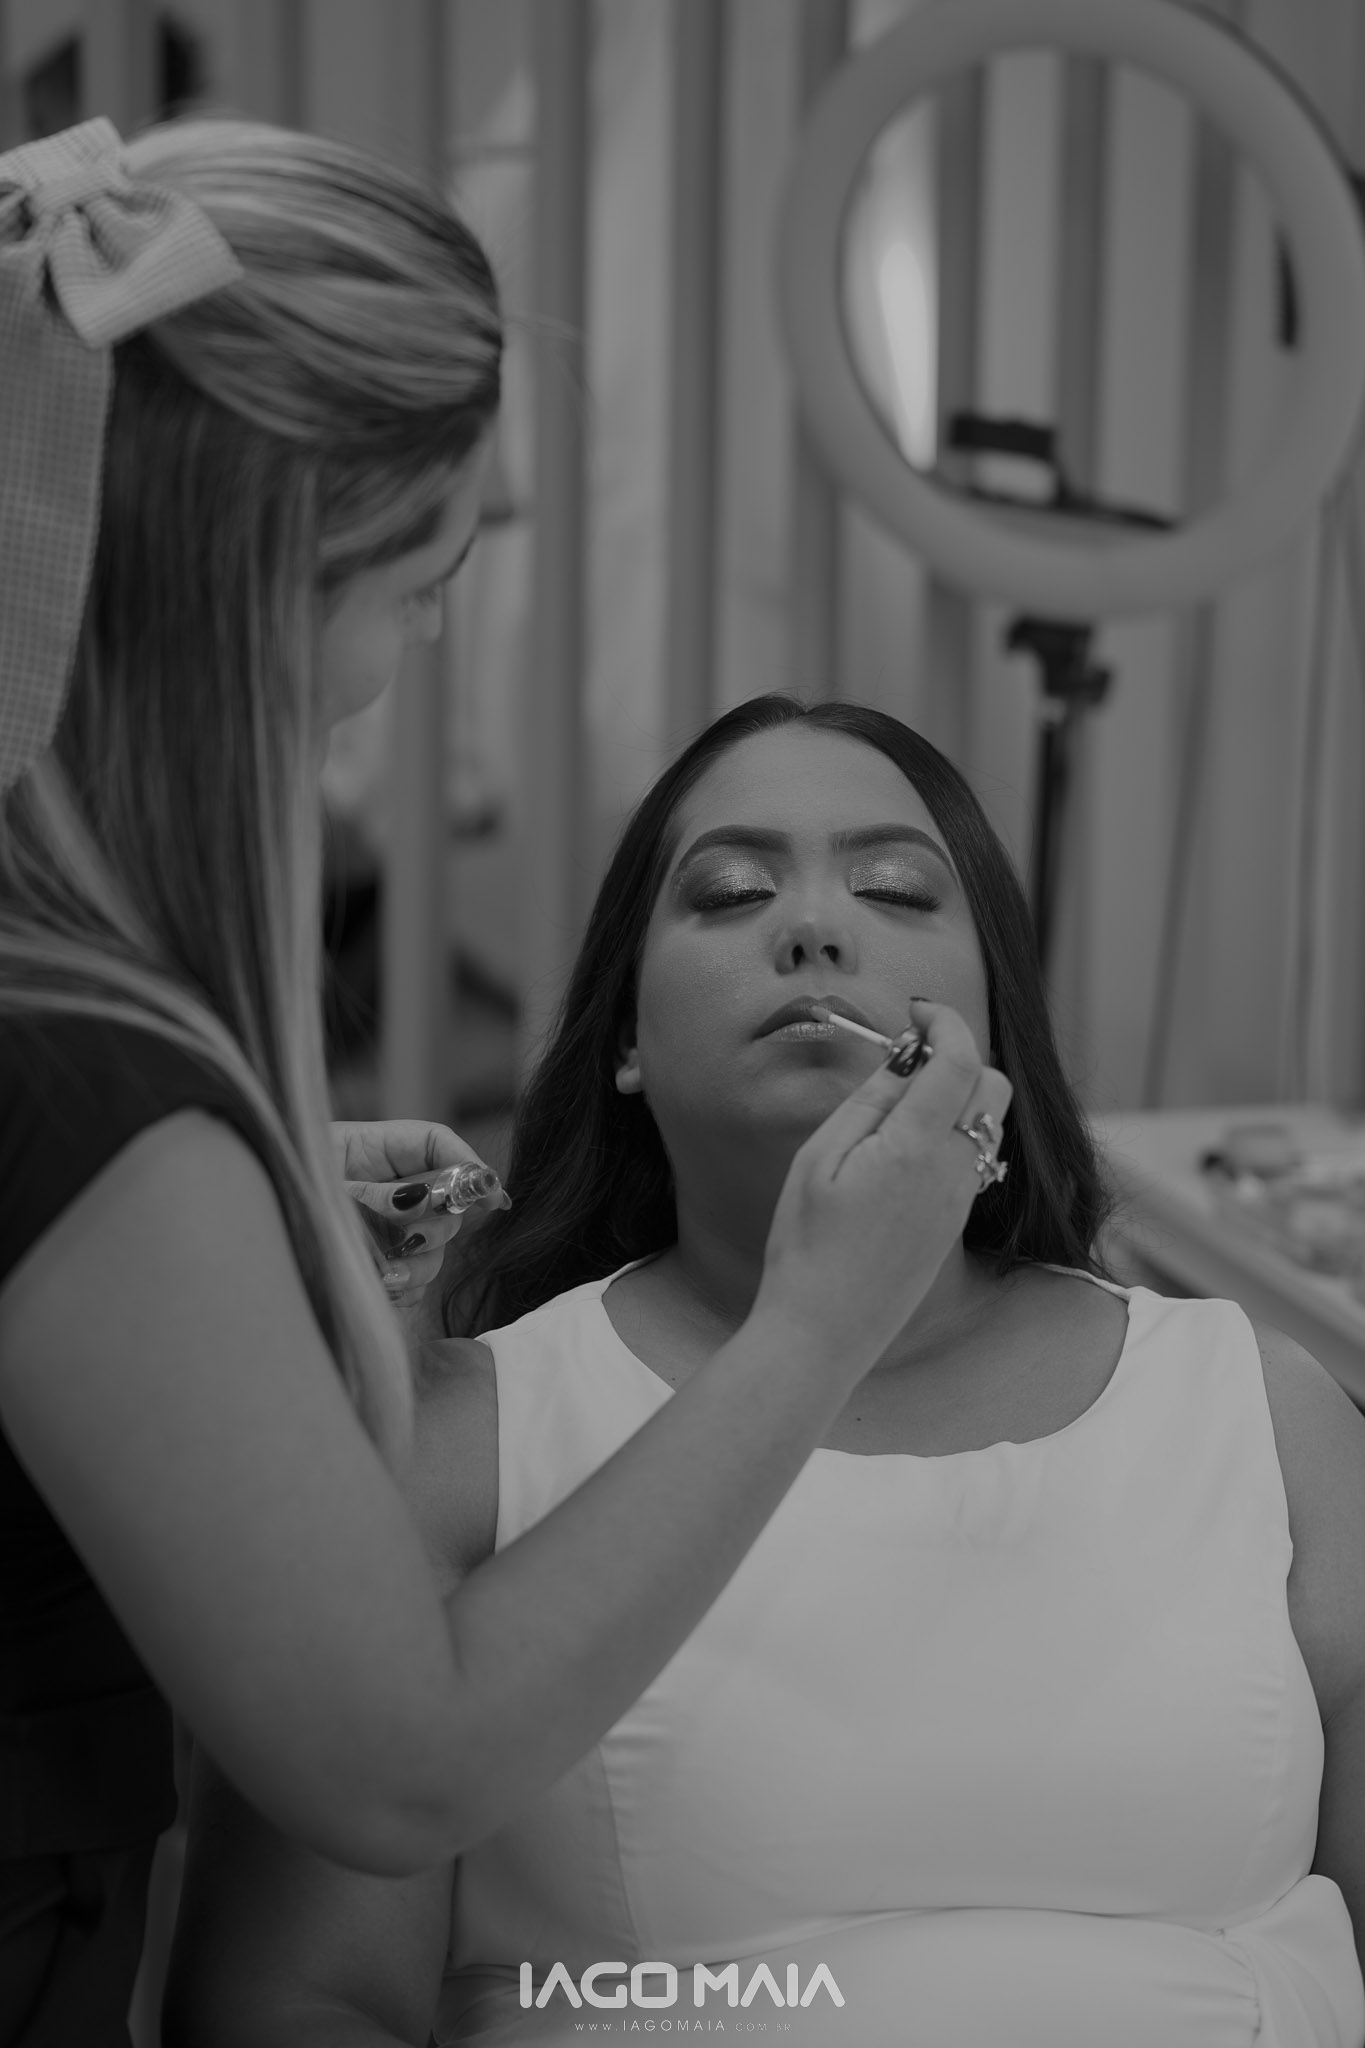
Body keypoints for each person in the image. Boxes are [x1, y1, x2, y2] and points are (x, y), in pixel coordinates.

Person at [0, 121, 1011, 2046]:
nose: (409, 656)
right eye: (419, 583)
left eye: (896, 890)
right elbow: (395, 1773)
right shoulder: (122, 1116)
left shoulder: (1252, 1413)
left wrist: (227, 1207)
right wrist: (814, 1327)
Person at [164, 697, 1365, 2048]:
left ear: (996, 1028)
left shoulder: (1267, 1416)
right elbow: (288, 2005)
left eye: (893, 889)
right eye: (731, 893)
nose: (813, 929)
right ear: (626, 1041)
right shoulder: (458, 1440)